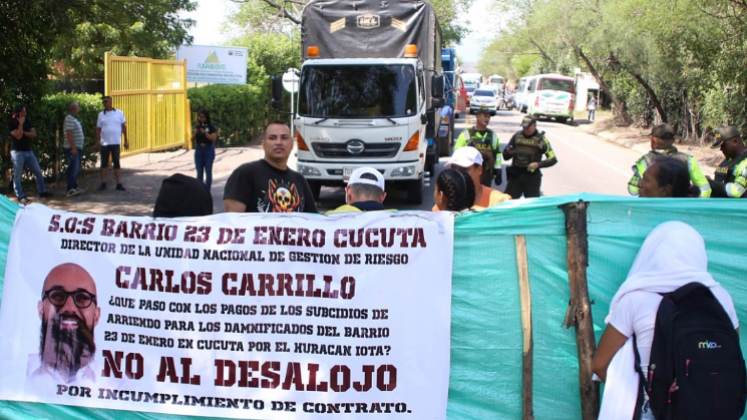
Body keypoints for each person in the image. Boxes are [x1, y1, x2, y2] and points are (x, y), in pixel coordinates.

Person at [591, 221, 738, 420]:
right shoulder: (720, 297)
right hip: (714, 408)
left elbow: (600, 364)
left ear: (651, 253)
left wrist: (629, 397)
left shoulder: (635, 300)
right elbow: (731, 352)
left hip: (656, 411)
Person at [27, 263, 101, 386]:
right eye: (57, 296)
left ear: (96, 316)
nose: (69, 308)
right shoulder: (11, 372)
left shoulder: (119, 387)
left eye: (82, 298)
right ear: (41, 309)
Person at [224, 121, 318, 213]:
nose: (278, 142)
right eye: (272, 138)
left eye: (284, 138)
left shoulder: (300, 180)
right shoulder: (245, 174)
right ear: (263, 144)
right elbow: (233, 222)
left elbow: (313, 220)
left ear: (292, 145)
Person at [627, 123, 711, 197]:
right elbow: (705, 190)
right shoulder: (688, 159)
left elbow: (633, 190)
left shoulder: (646, 160)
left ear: (653, 140)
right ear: (673, 140)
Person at [433, 146, 511, 211]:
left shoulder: (501, 202)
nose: (458, 173)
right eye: (454, 169)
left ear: (479, 170)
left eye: (463, 169)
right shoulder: (441, 205)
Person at [502, 115, 557, 199]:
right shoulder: (516, 136)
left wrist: (538, 164)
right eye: (523, 127)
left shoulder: (541, 140)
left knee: (532, 206)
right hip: (515, 175)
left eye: (527, 127)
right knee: (507, 202)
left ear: (534, 126)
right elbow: (505, 156)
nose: (525, 129)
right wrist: (509, 153)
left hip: (531, 177)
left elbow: (553, 159)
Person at [8, 105, 52, 204]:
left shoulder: (27, 121)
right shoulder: (12, 123)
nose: (25, 113)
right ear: (19, 113)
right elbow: (18, 136)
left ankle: (42, 191)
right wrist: (20, 125)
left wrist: (23, 131)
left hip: (28, 151)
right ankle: (20, 196)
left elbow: (33, 134)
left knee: (37, 171)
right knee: (18, 174)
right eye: (23, 112)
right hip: (17, 152)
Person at [453, 105, 502, 186]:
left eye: (489, 117)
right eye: (485, 116)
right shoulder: (465, 134)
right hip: (469, 175)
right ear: (477, 116)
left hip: (487, 176)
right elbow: (456, 154)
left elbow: (498, 154)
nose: (487, 119)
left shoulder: (493, 135)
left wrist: (498, 170)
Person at [95, 96, 128, 191]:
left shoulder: (119, 113)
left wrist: (126, 140)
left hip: (115, 142)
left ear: (110, 102)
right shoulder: (101, 115)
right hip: (104, 142)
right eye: (103, 102)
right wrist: (96, 143)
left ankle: (119, 183)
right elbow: (98, 129)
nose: (105, 103)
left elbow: (123, 127)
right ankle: (103, 183)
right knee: (103, 163)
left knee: (116, 163)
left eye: (106, 101)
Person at [706, 125, 747, 198]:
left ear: (735, 141)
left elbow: (737, 191)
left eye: (723, 145)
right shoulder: (728, 160)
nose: (721, 149)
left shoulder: (745, 162)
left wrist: (711, 183)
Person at [192, 110, 217, 189]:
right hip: (199, 149)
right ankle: (199, 190)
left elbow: (213, 139)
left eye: (203, 117)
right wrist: (195, 133)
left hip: (208, 149)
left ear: (206, 117)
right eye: (200, 117)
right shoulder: (197, 127)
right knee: (199, 171)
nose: (201, 119)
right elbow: (192, 139)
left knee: (208, 170)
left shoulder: (211, 127)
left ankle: (207, 190)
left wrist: (205, 133)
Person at [64, 101, 85, 196]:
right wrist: (73, 148)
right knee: (73, 167)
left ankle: (74, 186)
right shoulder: (69, 118)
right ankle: (70, 188)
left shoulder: (73, 118)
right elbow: (69, 134)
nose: (78, 108)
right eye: (77, 107)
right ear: (74, 108)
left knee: (76, 168)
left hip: (77, 147)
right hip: (73, 148)